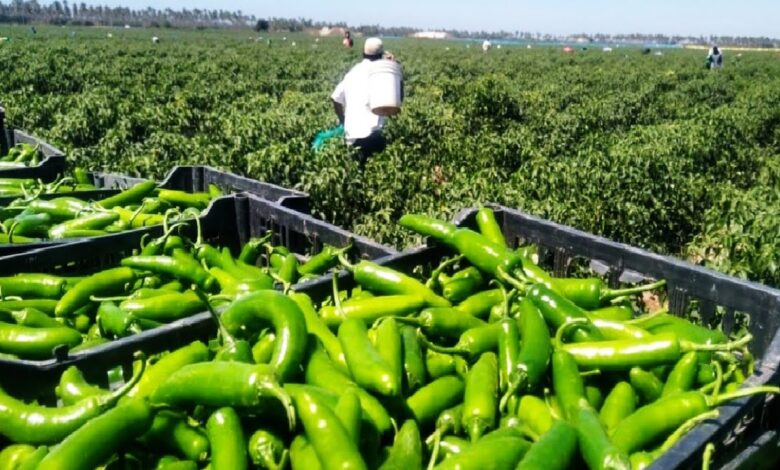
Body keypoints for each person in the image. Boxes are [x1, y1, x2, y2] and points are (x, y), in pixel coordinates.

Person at [331, 37, 399, 167]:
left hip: (352, 138)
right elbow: (397, 100)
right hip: (373, 137)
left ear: (363, 53)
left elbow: (335, 98)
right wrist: (392, 67)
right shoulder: (382, 74)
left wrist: (342, 120)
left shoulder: (352, 72)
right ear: (381, 55)